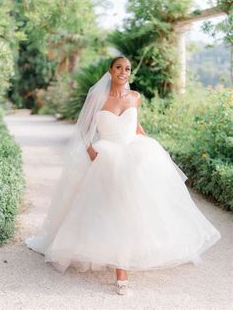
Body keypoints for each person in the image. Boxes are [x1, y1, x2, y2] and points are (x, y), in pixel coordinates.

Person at [25, 56, 221, 296]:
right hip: (106, 156)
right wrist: (91, 153)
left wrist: (151, 148)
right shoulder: (97, 98)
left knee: (136, 206)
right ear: (110, 70)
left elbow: (136, 128)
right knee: (112, 206)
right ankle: (121, 269)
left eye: (127, 68)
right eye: (119, 67)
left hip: (133, 154)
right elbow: (84, 130)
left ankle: (126, 259)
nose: (123, 71)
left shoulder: (135, 97)